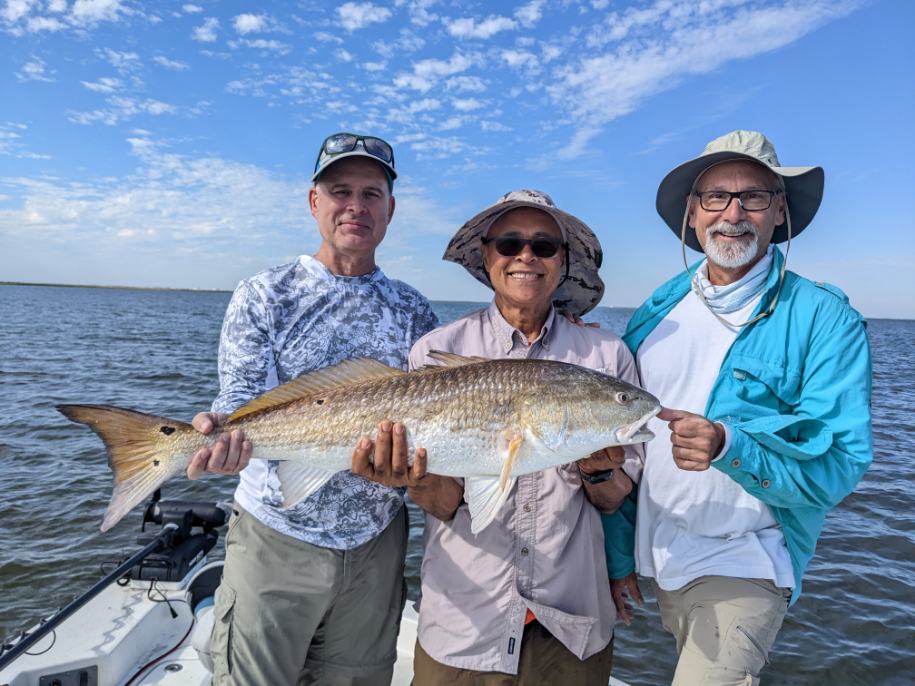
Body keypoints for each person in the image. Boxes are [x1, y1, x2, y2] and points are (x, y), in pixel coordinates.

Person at [605, 130, 872, 685]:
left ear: (779, 211)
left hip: (747, 562)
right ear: (692, 213)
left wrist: (729, 445)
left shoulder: (826, 318)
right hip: (662, 558)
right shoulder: (656, 312)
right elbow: (625, 447)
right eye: (715, 198)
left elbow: (841, 464)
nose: (733, 214)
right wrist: (616, 556)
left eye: (752, 197)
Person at [354, 189, 645, 684]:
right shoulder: (436, 350)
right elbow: (444, 503)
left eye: (544, 246)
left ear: (563, 260)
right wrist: (406, 479)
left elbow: (617, 499)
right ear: (486, 255)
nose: (526, 256)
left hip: (571, 624)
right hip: (467, 623)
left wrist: (600, 468)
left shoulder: (605, 355)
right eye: (509, 243)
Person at [187, 132, 439, 685]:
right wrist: (221, 435)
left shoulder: (415, 310)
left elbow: (442, 413)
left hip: (376, 543)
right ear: (313, 202)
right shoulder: (265, 293)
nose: (356, 206)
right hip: (276, 537)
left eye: (372, 194)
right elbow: (240, 400)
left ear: (391, 209)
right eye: (340, 191)